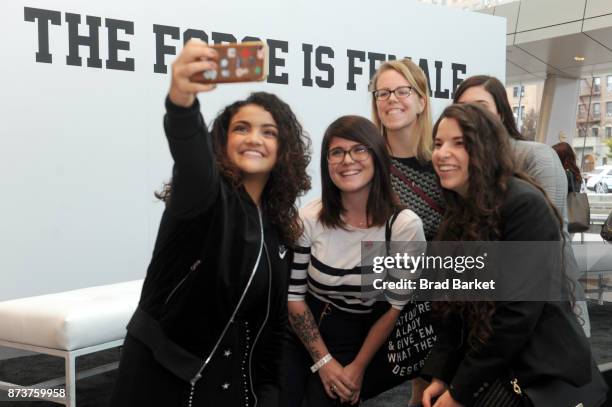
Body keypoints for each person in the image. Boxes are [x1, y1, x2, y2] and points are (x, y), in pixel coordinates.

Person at [110, 39, 311, 407]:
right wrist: (182, 102)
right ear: (222, 140)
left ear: (283, 151)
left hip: (233, 388)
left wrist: (268, 393)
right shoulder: (204, 196)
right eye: (241, 128)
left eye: (268, 132)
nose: (255, 138)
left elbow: (273, 331)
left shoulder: (278, 227)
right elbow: (191, 157)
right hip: (163, 383)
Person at [421, 103, 593, 407]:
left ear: (486, 149)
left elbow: (516, 315)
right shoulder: (458, 212)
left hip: (534, 374)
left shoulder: (524, 204)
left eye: (459, 143)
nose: (442, 153)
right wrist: (440, 376)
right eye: (438, 144)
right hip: (488, 366)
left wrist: (459, 391)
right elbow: (449, 308)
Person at [282, 115, 425, 406]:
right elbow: (294, 297)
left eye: (359, 149)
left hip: (360, 337)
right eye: (337, 152)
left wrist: (357, 368)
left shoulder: (402, 226)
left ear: (377, 156)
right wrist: (324, 362)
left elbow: (392, 308)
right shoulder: (311, 218)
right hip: (302, 329)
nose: (348, 159)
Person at [453, 75, 590, 337]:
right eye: (462, 110)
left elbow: (550, 242)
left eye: (481, 107)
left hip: (544, 304)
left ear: (502, 114)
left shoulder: (535, 156)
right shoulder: (462, 168)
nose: (471, 118)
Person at [365, 58, 444, 405]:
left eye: (402, 91)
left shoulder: (444, 164)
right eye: (383, 93)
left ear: (422, 100)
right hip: (380, 307)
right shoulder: (365, 165)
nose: (391, 99)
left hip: (444, 309)